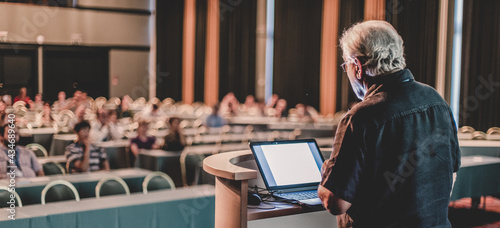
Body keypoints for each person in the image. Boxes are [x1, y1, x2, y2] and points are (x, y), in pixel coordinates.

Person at [318, 20, 460, 228]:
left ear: (357, 67)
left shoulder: (360, 117)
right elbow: (452, 171)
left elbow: (336, 203)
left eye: (345, 65)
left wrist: (325, 176)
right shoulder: (437, 101)